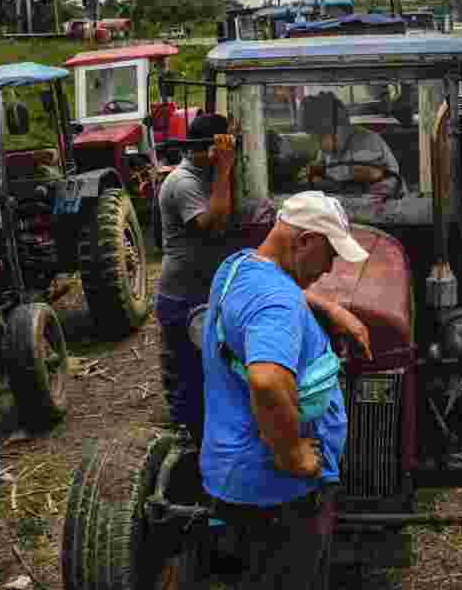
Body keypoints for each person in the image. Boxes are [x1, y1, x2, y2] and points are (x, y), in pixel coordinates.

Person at [200, 191, 373, 590]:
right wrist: (293, 453)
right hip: (279, 495)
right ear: (306, 241)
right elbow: (267, 380)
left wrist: (329, 307)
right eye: (329, 255)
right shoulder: (277, 303)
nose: (329, 270)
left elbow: (272, 290)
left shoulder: (237, 267)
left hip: (234, 475)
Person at [155, 113, 236, 445]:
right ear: (209, 149)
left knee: (213, 370)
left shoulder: (203, 174)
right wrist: (224, 169)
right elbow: (213, 224)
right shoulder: (184, 182)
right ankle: (193, 444)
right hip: (184, 297)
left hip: (204, 291)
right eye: (225, 144)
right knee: (191, 376)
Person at [301, 91, 403, 196]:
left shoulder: (366, 142)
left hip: (384, 200)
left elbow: (361, 181)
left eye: (320, 137)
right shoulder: (330, 148)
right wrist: (315, 171)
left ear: (340, 127)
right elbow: (323, 166)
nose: (319, 144)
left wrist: (323, 181)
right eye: (314, 138)